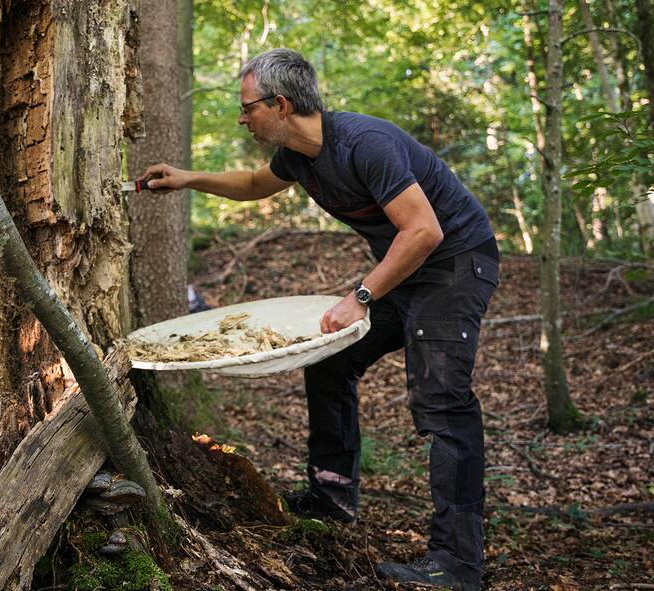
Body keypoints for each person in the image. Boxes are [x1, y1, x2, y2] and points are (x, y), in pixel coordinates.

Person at [141, 48, 498, 591]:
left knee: (442, 401)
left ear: (281, 105)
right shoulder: (298, 157)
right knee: (332, 360)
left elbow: (425, 231)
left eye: (248, 107)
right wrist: (186, 178)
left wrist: (361, 295)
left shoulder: (365, 143)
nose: (242, 118)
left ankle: (458, 562)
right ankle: (332, 497)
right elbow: (254, 185)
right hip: (407, 269)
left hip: (455, 263)